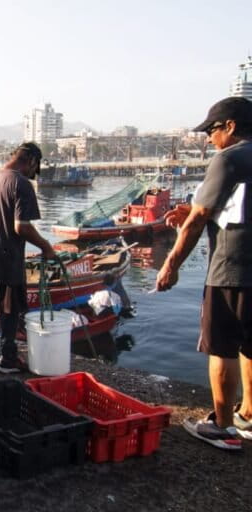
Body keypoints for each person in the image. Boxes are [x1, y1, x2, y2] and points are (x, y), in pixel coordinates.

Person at [157, 97, 252, 449]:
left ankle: (223, 428)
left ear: (230, 126)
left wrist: (170, 265)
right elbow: (234, 210)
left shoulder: (228, 158)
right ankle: (248, 417)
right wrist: (197, 210)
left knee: (222, 348)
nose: (209, 138)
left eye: (212, 130)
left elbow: (198, 220)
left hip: (230, 270)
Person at [0, 142, 57, 373]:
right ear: (32, 161)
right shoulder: (21, 184)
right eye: (33, 169)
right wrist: (46, 246)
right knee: (10, 309)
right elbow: (21, 227)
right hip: (8, 261)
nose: (32, 174)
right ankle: (7, 359)